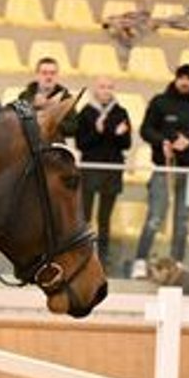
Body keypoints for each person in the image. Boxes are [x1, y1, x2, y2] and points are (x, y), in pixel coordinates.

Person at [132, 63, 189, 279]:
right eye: (182, 77)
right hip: (163, 169)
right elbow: (146, 129)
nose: (185, 82)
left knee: (183, 222)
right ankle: (140, 262)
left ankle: (177, 264)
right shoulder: (160, 101)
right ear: (176, 79)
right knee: (155, 218)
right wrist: (162, 142)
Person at [75, 76, 132, 272]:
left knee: (104, 219)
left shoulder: (121, 112)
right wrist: (102, 132)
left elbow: (126, 143)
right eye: (102, 87)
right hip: (90, 168)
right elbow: (82, 143)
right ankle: (82, 257)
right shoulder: (86, 113)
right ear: (95, 90)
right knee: (85, 217)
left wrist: (114, 134)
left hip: (112, 170)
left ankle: (102, 261)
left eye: (109, 87)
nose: (106, 90)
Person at [18, 57, 78, 139]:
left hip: (55, 143)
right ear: (37, 75)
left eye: (52, 73)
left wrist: (52, 122)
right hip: (30, 143)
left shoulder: (66, 98)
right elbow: (18, 124)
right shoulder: (25, 96)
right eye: (44, 73)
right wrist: (33, 106)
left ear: (57, 75)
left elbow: (73, 127)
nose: (49, 77)